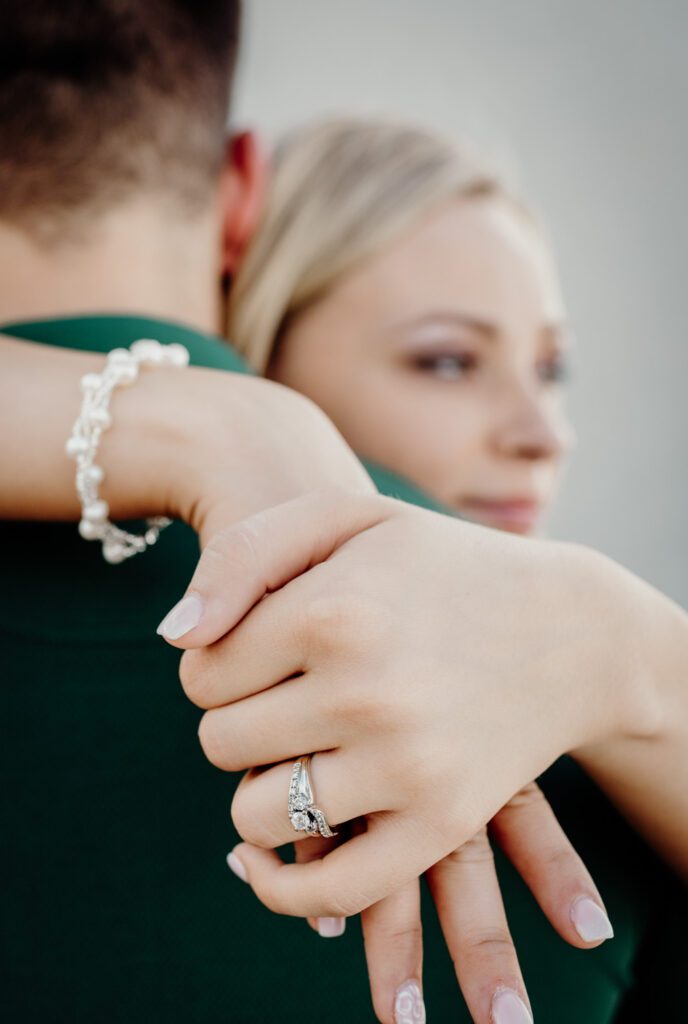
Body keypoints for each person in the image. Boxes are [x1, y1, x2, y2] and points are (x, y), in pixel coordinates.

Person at [1, 6, 686, 1024]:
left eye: (555, 367)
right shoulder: (594, 773)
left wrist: (623, 644)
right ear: (243, 216)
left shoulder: (571, 697)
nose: (545, 432)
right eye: (445, 358)